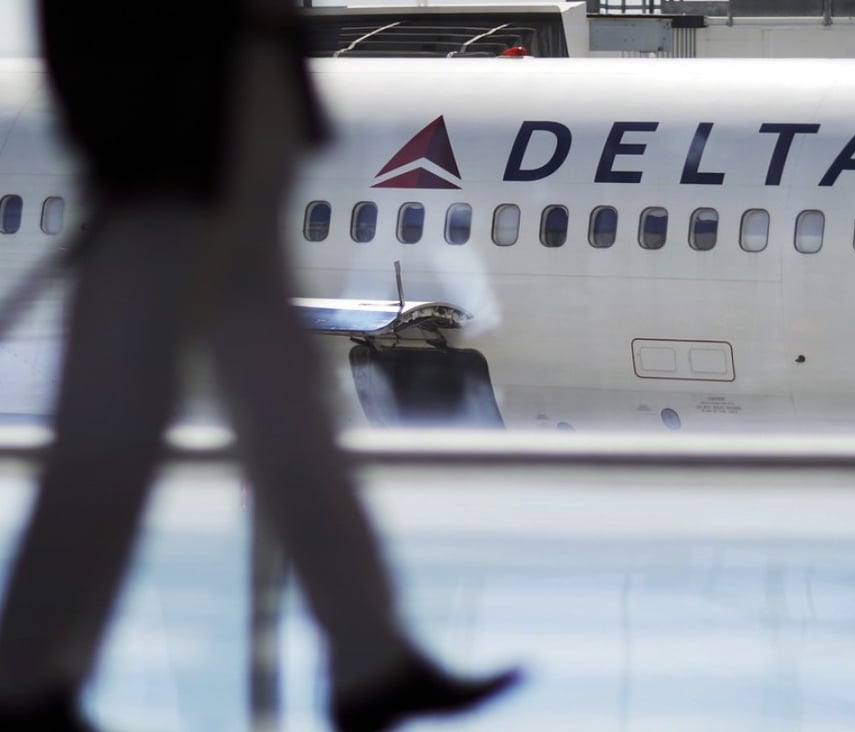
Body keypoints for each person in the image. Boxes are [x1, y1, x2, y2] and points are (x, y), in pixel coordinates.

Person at [0, 2, 519, 730]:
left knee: (287, 418)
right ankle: (25, 677)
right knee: (126, 425)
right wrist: (128, 139)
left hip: (231, 138)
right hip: (181, 153)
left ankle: (370, 658)